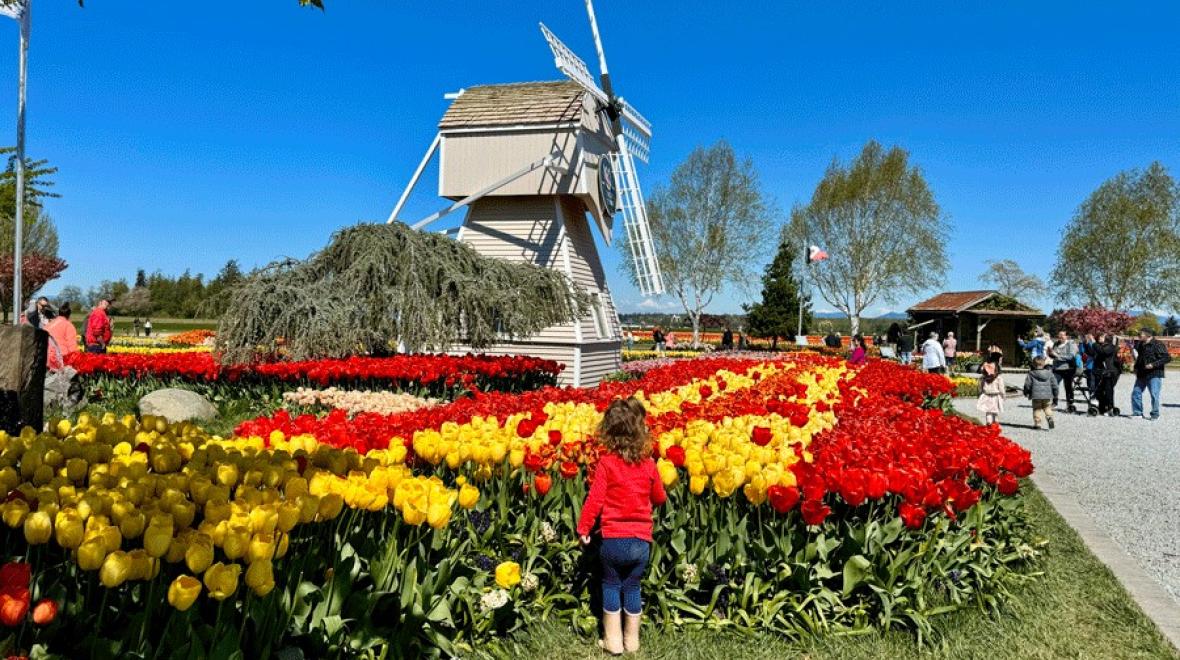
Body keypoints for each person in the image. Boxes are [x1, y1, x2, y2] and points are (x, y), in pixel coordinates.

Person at [577, 397, 666, 655]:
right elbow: (659, 497)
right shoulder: (649, 465)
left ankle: (613, 642)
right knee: (633, 587)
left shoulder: (606, 464)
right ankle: (633, 641)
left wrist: (584, 529)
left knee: (611, 585)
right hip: (640, 542)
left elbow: (594, 501)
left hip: (613, 541)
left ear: (608, 433)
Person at [1131, 328, 1171, 421]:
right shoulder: (1140, 344)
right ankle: (1137, 413)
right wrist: (1135, 368)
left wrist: (1153, 365)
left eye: (1141, 334)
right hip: (1141, 373)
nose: (1139, 336)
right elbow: (1139, 358)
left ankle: (1155, 414)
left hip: (1154, 373)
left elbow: (1167, 358)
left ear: (1148, 335)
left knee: (1154, 394)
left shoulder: (1158, 344)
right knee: (1136, 393)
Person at [1023, 356, 1059, 430]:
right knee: (1047, 407)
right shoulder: (1049, 373)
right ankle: (1049, 417)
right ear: (1044, 364)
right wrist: (1055, 394)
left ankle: (1038, 424)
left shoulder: (1031, 373)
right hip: (1047, 396)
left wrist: (1026, 392)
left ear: (1033, 364)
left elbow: (1027, 385)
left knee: (1037, 409)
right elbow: (1055, 385)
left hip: (1036, 396)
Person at [1048, 330, 1079, 411]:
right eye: (1059, 335)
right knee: (1054, 385)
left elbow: (1071, 356)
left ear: (1067, 336)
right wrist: (1050, 353)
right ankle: (1054, 403)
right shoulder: (1056, 343)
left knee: (1068, 387)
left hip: (1068, 369)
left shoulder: (1071, 344)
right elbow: (1053, 355)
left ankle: (1070, 404)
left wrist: (1057, 356)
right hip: (1057, 369)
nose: (1060, 337)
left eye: (1062, 335)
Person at [45, 303, 79, 370]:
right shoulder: (68, 325)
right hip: (62, 358)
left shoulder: (48, 325)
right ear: (69, 314)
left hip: (47, 358)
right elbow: (72, 345)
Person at [1092, 333, 1119, 416]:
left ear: (1107, 339)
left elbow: (1103, 352)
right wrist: (1086, 343)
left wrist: (1093, 343)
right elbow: (1091, 353)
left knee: (1108, 391)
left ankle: (1110, 408)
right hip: (1101, 372)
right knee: (1099, 391)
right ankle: (1102, 408)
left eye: (1101, 336)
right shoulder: (1100, 346)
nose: (1099, 337)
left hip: (1110, 372)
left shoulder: (1111, 346)